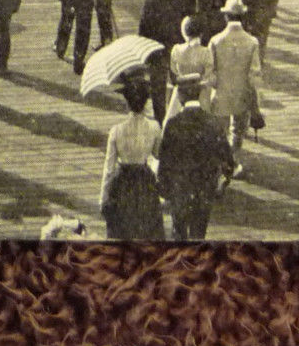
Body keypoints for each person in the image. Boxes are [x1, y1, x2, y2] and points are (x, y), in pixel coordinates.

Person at [156, 75, 234, 240]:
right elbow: (227, 158)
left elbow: (164, 159)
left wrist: (163, 187)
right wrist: (223, 181)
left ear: (181, 96)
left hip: (180, 190)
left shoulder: (173, 124)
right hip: (204, 190)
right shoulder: (213, 122)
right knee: (199, 236)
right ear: (198, 94)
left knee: (179, 234)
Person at [98, 71, 165, 241]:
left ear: (127, 104)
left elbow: (109, 168)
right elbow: (158, 155)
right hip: (144, 180)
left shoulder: (117, 130)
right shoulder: (154, 127)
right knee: (146, 228)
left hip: (122, 180)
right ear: (145, 103)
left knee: (121, 229)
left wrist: (103, 197)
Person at [207, 0, 262, 173]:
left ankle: (220, 164)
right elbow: (254, 75)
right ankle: (233, 161)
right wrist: (256, 102)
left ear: (226, 17)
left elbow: (211, 72)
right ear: (243, 17)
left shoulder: (215, 41)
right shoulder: (252, 42)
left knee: (220, 131)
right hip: (242, 94)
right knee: (238, 130)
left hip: (221, 94)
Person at [139, 0, 193, 123]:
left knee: (158, 90)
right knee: (182, 85)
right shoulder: (182, 0)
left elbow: (143, 30)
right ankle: (181, 117)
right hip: (178, 50)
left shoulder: (150, 1)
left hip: (157, 52)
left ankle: (160, 121)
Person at [167, 16, 214, 121]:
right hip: (200, 94)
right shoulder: (206, 52)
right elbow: (208, 75)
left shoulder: (176, 50)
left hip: (181, 93)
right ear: (201, 34)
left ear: (183, 32)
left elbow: (174, 71)